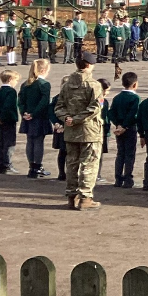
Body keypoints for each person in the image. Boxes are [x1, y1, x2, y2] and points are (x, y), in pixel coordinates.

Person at [55, 52, 105, 210]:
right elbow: (95, 108)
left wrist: (66, 118)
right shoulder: (94, 85)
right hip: (89, 131)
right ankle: (85, 197)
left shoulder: (67, 84)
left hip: (71, 131)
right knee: (89, 164)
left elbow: (59, 106)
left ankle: (71, 196)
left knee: (72, 164)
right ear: (89, 65)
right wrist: (76, 119)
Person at [18, 58, 52, 178]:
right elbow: (44, 102)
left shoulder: (25, 84)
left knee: (30, 141)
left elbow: (20, 101)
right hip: (39, 117)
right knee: (38, 142)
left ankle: (32, 167)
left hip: (28, 116)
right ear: (43, 70)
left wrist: (24, 113)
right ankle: (37, 166)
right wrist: (33, 114)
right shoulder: (44, 84)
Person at [109, 71, 140, 188]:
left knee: (120, 153)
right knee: (129, 154)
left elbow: (111, 112)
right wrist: (125, 126)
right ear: (135, 84)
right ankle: (128, 178)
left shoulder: (117, 97)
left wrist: (117, 125)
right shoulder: (135, 98)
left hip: (119, 128)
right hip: (129, 128)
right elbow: (133, 114)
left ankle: (118, 178)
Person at [0, 69, 20, 173]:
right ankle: (7, 164)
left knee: (0, 142)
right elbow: (7, 106)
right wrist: (2, 117)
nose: (16, 83)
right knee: (9, 143)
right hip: (9, 120)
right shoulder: (11, 92)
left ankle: (0, 164)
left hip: (0, 120)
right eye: (15, 80)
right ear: (10, 79)